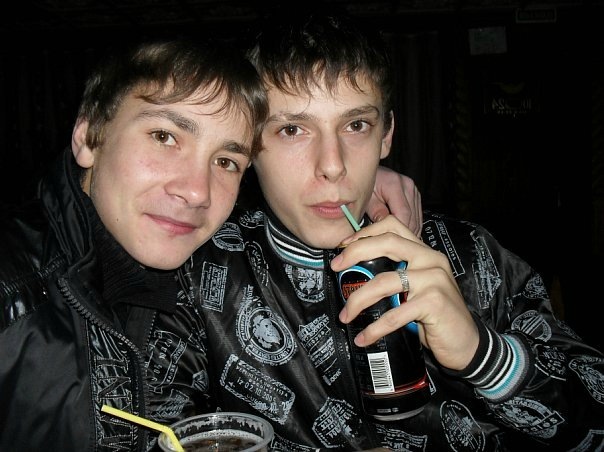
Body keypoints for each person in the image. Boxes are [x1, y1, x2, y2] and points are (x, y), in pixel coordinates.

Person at [182, 8, 604, 451]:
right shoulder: (200, 272)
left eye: (356, 125)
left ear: (386, 135)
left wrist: (484, 355)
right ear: (250, 143)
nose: (332, 165)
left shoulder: (470, 254)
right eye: (292, 129)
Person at [0, 36, 422, 450]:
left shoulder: (171, 269)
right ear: (88, 136)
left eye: (225, 161)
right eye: (164, 137)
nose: (197, 191)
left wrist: (358, 181)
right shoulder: (13, 295)